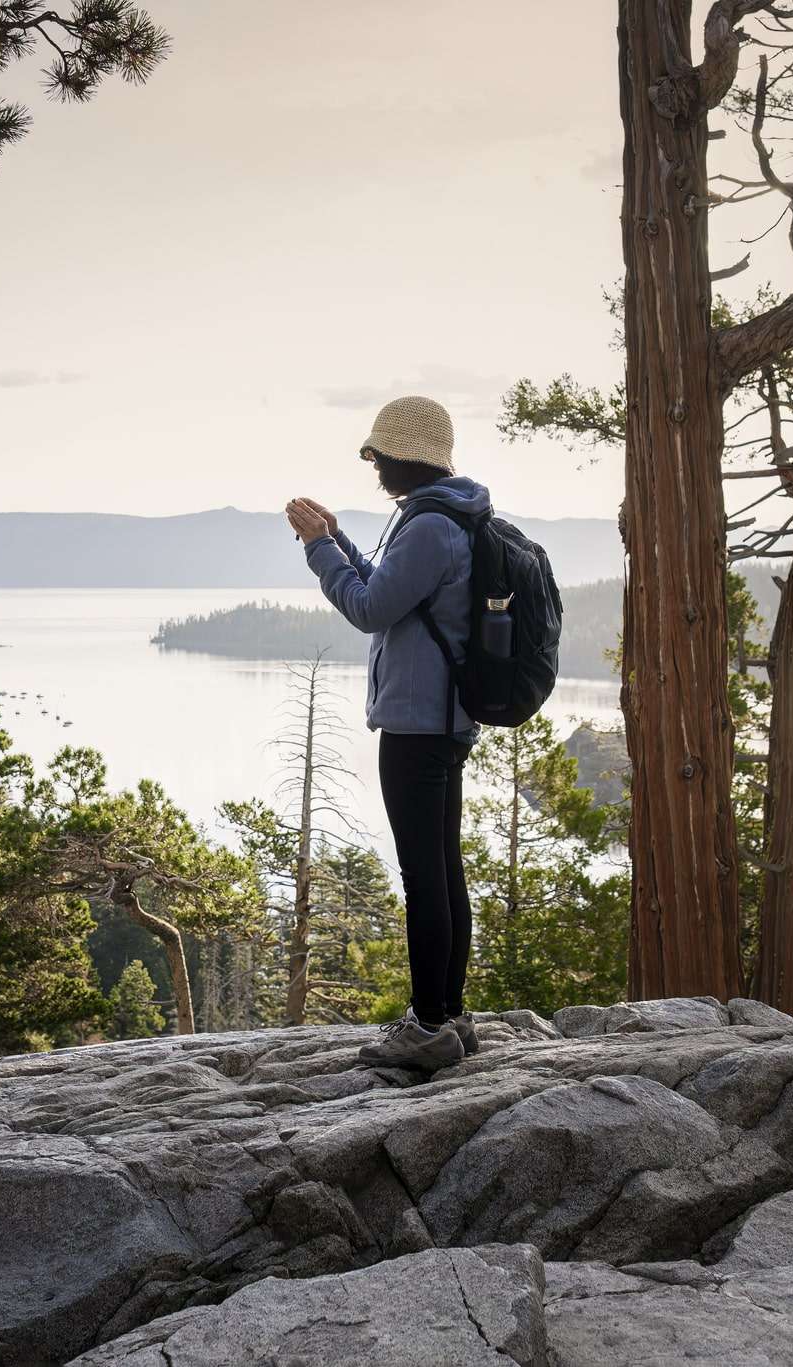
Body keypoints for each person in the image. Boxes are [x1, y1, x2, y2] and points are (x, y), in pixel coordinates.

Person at [285, 394, 487, 1071]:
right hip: (443, 721)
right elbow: (392, 589)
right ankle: (452, 1013)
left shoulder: (429, 527)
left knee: (424, 875)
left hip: (417, 726)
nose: (374, 468)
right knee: (443, 866)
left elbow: (370, 607)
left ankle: (429, 1025)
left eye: (378, 457)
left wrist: (317, 551)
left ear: (406, 458)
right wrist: (339, 540)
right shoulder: (447, 514)